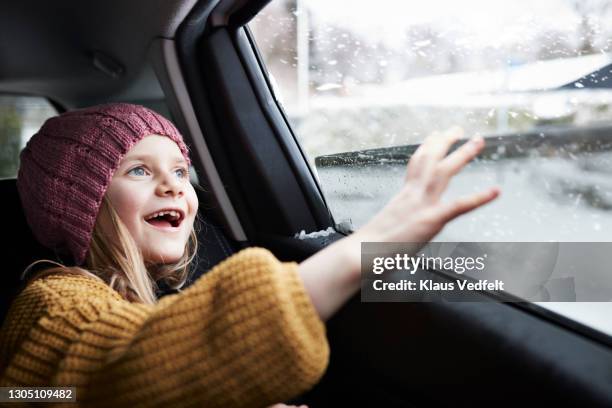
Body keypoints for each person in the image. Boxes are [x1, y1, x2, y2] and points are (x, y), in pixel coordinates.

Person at [0, 103, 499, 407]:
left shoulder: (151, 291)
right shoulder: (50, 300)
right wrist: (362, 250)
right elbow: (77, 386)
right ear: (79, 204)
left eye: (180, 170)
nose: (173, 186)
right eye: (138, 171)